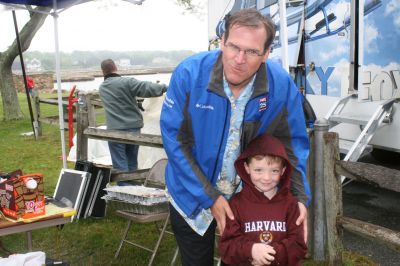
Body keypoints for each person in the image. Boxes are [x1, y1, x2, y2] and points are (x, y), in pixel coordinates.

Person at [160, 9, 310, 265]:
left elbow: (292, 144)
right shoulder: (189, 74)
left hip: (248, 198)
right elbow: (175, 141)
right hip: (189, 194)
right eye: (233, 47)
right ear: (221, 42)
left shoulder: (281, 86)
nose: (239, 59)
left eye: (252, 51)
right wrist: (210, 198)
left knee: (245, 259)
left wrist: (298, 198)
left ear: (266, 54)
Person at [219, 133, 307, 266]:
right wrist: (252, 250)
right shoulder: (236, 204)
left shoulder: (291, 204)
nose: (266, 178)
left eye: (274, 171)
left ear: (283, 171)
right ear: (247, 168)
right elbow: (228, 246)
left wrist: (270, 255)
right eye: (259, 170)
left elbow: (298, 244)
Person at [99, 59, 167, 176]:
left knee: (120, 164)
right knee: (132, 162)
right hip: (133, 127)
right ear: (116, 67)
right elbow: (146, 87)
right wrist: (165, 88)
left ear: (103, 72)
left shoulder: (103, 88)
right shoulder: (127, 82)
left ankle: (124, 189)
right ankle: (132, 187)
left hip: (114, 130)